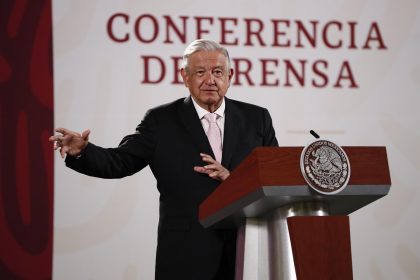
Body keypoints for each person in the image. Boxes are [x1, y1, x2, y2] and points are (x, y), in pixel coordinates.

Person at [50, 39, 278, 280]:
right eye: (200, 72)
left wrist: (233, 180)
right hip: (185, 254)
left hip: (247, 251)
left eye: (218, 72)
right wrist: (83, 151)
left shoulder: (257, 119)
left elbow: (273, 180)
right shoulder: (161, 121)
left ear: (230, 75)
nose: (210, 80)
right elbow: (120, 161)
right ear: (185, 76)